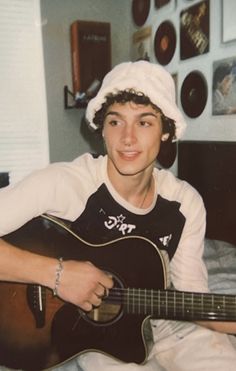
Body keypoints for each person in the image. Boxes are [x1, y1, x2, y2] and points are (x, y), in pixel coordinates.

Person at [1, 60, 236, 371]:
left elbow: (196, 301)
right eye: (115, 122)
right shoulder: (66, 183)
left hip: (163, 325)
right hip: (91, 337)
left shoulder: (184, 203)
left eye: (144, 122)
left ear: (166, 131)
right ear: (102, 129)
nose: (127, 138)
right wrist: (57, 275)